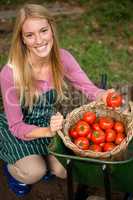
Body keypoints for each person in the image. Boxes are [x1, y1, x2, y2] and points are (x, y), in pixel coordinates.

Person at [0, 3, 113, 197]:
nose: (39, 40)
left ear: (52, 28)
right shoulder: (10, 73)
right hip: (20, 130)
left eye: (43, 30)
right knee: (34, 171)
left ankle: (41, 159)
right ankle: (14, 171)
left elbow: (87, 87)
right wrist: (48, 131)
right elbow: (17, 126)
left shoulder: (62, 58)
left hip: (48, 121)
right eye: (30, 35)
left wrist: (104, 95)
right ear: (22, 40)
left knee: (62, 170)